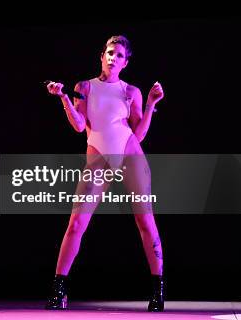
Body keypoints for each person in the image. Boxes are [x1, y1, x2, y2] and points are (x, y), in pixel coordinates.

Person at [45, 35, 165, 311]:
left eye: (120, 55)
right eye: (110, 52)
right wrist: (63, 96)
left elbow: (140, 133)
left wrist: (149, 104)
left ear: (126, 62)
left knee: (145, 221)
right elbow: (78, 125)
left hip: (129, 154)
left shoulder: (130, 91)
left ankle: (158, 290)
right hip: (98, 158)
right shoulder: (84, 87)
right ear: (102, 56)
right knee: (76, 223)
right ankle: (58, 289)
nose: (113, 57)